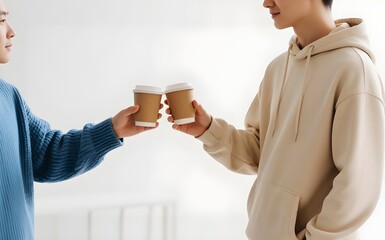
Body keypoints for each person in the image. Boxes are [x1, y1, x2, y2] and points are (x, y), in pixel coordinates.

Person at [166, 0, 385, 239]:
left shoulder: (354, 70)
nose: (266, 3)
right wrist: (207, 129)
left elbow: (358, 184)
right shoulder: (279, 68)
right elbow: (259, 153)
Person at [0, 0, 162, 238]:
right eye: (2, 20)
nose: (11, 30)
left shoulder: (9, 97)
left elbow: (49, 154)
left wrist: (111, 131)